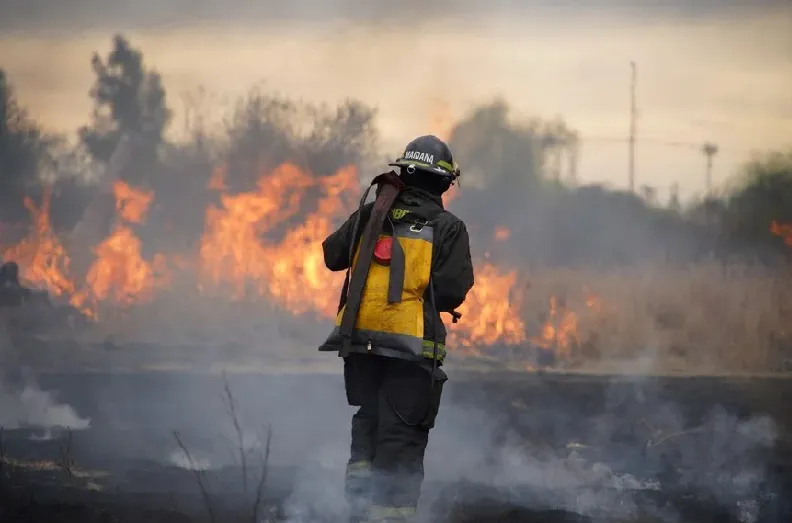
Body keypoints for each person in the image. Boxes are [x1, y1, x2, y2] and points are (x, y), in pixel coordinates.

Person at [319, 135, 475, 522]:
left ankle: (357, 512)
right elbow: (451, 291)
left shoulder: (372, 213)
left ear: (403, 172)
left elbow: (333, 255)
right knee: (401, 436)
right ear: (444, 182)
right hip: (411, 347)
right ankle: (390, 516)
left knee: (368, 423)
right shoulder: (447, 226)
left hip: (360, 343)